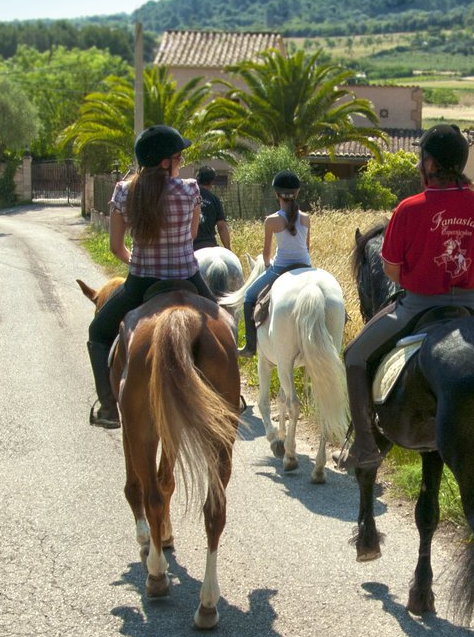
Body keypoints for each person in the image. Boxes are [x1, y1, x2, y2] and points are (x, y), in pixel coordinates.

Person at [343, 124, 474, 471]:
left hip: (416, 306)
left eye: (422, 159)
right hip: (471, 308)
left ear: (430, 163)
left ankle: (367, 445)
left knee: (354, 356)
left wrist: (423, 278)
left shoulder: (409, 208)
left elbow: (391, 270)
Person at [86, 124, 211, 428]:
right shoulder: (191, 188)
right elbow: (193, 233)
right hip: (187, 276)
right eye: (178, 157)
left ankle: (108, 407)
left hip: (140, 283)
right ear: (164, 162)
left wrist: (137, 260)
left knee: (98, 334)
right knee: (226, 325)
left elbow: (116, 247)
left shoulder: (124, 191)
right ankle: (230, 396)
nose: (181, 162)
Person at [236, 170, 313, 358]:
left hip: (280, 268)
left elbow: (266, 252)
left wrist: (268, 265)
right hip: (306, 266)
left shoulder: (271, 220)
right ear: (297, 193)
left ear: (275, 194)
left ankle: (250, 346)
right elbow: (307, 247)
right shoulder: (306, 217)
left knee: (248, 296)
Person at [191, 165, 232, 252]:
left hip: (190, 245)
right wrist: (228, 250)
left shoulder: (189, 196)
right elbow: (221, 227)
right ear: (212, 181)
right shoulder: (214, 199)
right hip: (209, 243)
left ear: (197, 178)